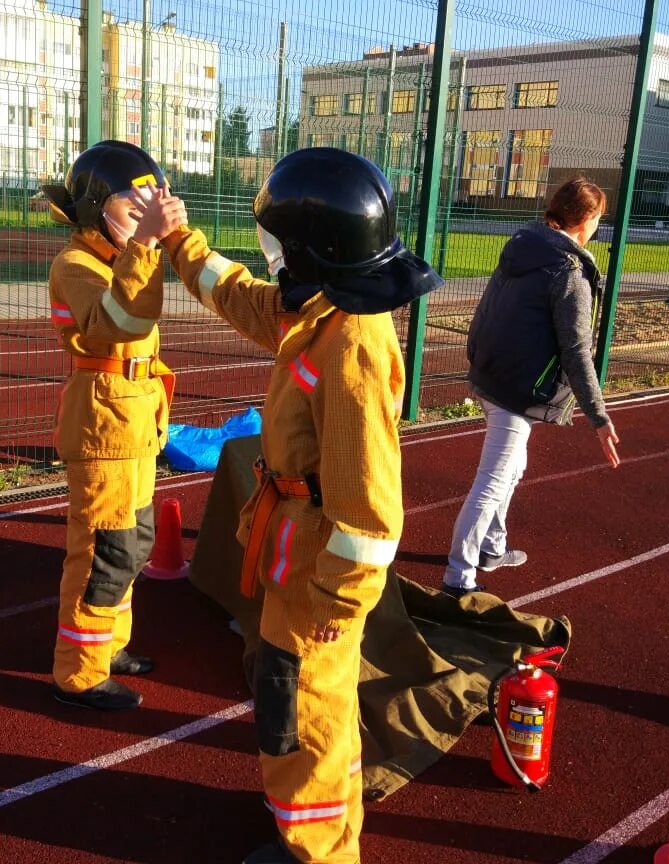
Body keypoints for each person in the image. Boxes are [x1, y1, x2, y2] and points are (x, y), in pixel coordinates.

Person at [140, 148, 441, 864]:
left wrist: (335, 608)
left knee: (306, 709)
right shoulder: (320, 306)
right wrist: (182, 238)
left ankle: (318, 852)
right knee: (289, 701)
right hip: (291, 556)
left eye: (279, 245)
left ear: (314, 250)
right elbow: (240, 294)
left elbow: (370, 516)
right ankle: (307, 828)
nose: (271, 259)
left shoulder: (351, 349)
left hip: (319, 580)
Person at [40, 140, 187, 710]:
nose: (142, 219)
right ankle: (78, 673)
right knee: (105, 549)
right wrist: (148, 244)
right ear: (96, 208)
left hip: (135, 424)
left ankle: (108, 645)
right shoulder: (76, 265)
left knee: (135, 539)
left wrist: (147, 243)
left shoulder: (114, 259)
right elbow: (119, 323)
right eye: (133, 208)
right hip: (105, 427)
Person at [441, 176, 621, 597]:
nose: (598, 226)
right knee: (493, 479)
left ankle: (492, 547)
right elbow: (577, 351)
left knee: (511, 469)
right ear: (587, 219)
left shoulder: (524, 246)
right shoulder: (568, 272)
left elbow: (486, 309)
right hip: (515, 390)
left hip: (492, 374)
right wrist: (599, 417)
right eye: (598, 219)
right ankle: (458, 576)